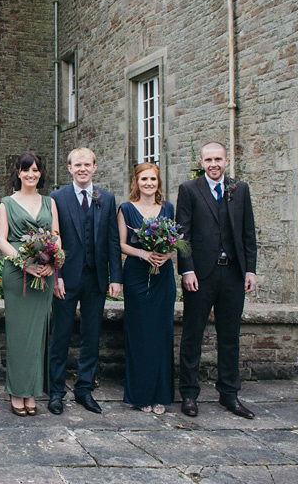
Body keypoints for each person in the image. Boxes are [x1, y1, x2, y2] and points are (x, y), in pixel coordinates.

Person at [176, 142, 257, 419]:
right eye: (208, 159)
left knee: (230, 336)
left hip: (233, 273)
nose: (214, 164)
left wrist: (250, 270)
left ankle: (229, 395)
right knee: (192, 335)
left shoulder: (240, 189)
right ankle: (188, 393)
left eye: (218, 159)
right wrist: (187, 271)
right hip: (200, 274)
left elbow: (248, 233)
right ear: (201, 161)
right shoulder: (189, 190)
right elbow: (182, 234)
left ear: (227, 160)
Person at [48, 147, 122, 416]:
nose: (82, 169)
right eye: (77, 165)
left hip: (97, 279)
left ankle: (84, 389)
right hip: (66, 279)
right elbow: (53, 242)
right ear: (69, 168)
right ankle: (55, 391)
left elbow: (113, 240)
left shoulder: (107, 198)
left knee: (91, 336)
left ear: (95, 167)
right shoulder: (57, 198)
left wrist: (116, 278)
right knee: (60, 336)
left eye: (87, 165)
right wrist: (56, 276)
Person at [0, 152, 59, 416]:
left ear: (40, 173)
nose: (31, 174)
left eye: (35, 170)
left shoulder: (50, 203)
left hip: (44, 273)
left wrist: (52, 262)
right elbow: (2, 240)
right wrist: (25, 263)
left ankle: (32, 391)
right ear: (18, 173)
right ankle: (17, 391)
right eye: (26, 170)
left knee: (38, 336)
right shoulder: (6, 203)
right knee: (19, 334)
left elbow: (56, 236)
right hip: (18, 272)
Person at [117, 162, 175, 414]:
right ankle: (140, 395)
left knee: (162, 333)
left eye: (153, 179)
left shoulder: (169, 208)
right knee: (139, 334)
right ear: (136, 183)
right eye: (144, 179)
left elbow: (176, 242)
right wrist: (142, 252)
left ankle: (160, 395)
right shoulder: (126, 210)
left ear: (158, 183)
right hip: (137, 276)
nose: (149, 183)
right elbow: (121, 244)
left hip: (162, 276)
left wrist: (168, 254)